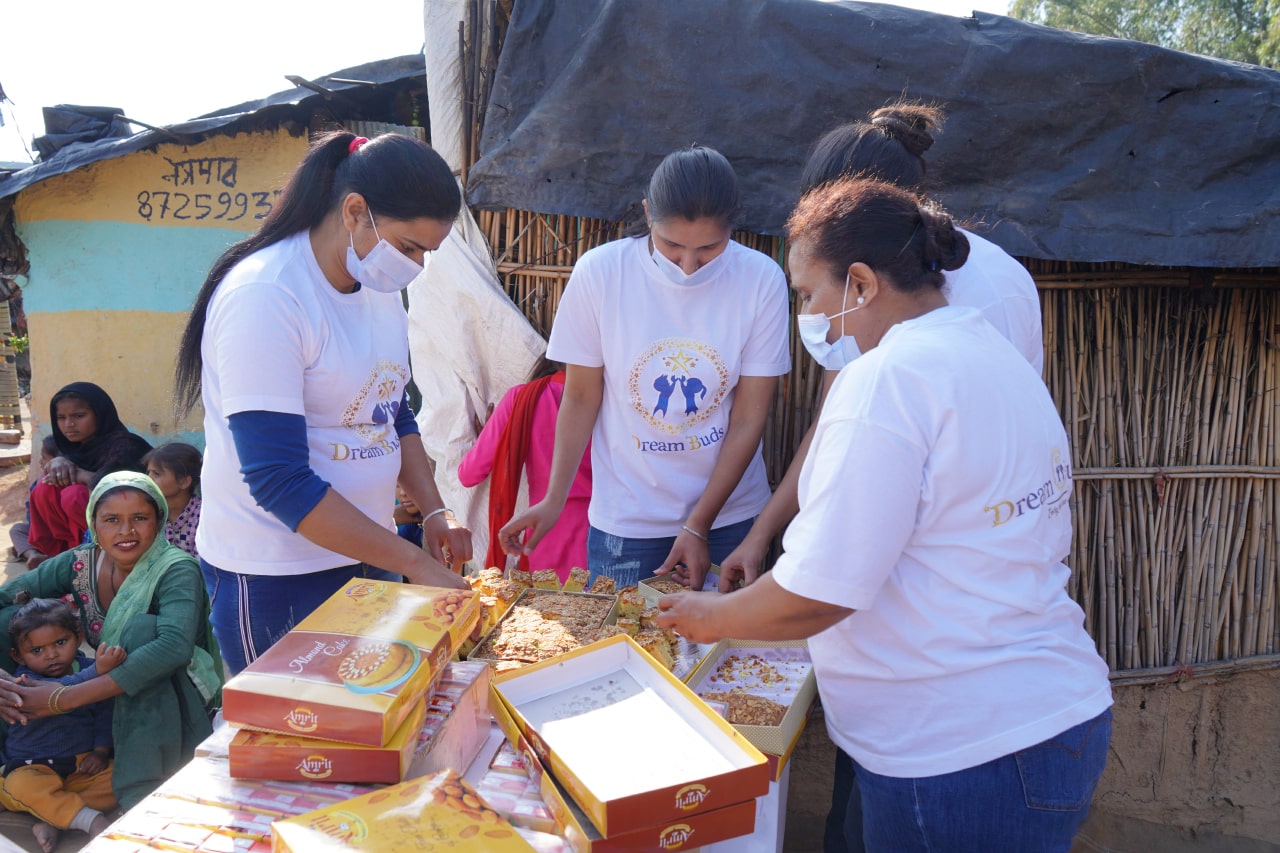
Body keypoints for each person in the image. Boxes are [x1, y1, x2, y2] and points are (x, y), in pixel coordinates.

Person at [657, 178, 1112, 853]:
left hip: (960, 753)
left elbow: (818, 593)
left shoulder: (888, 381)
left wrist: (703, 618)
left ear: (862, 284)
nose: (806, 315)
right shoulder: (986, 349)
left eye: (809, 295)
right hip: (1043, 720)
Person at [172, 131, 473, 676]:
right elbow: (278, 480)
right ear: (355, 211)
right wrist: (411, 560)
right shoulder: (268, 297)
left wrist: (434, 510)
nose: (417, 267)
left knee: (368, 720)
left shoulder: (378, 292)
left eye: (426, 253)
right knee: (296, 741)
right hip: (277, 575)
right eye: (409, 248)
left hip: (368, 558)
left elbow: (391, 408)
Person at [720, 101, 1044, 592]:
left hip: (952, 580)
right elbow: (831, 421)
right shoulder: (864, 298)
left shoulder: (972, 302)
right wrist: (762, 533)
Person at [498, 146, 790, 590]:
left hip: (730, 514)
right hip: (628, 520)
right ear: (648, 213)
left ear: (734, 225)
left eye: (709, 248)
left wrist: (698, 525)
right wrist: (553, 499)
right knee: (623, 650)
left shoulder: (761, 279)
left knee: (724, 655)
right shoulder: (601, 273)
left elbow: (749, 416)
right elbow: (580, 396)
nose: (688, 266)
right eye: (672, 245)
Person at [0, 472, 223, 812]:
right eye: (111, 520)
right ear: (94, 523)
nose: (126, 532)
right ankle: (25, 762)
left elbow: (172, 647)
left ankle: (138, 787)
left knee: (141, 631)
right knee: (10, 623)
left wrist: (65, 697)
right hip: (104, 689)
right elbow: (5, 596)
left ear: (158, 520)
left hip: (169, 700)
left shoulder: (176, 569)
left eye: (140, 518)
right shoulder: (82, 561)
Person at [0, 595, 126, 852]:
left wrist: (101, 752)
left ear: (77, 636)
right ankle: (89, 819)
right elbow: (56, 690)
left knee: (121, 778)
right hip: (30, 768)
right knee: (17, 786)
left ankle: (52, 818)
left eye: (60, 642)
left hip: (80, 767)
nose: (52, 655)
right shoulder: (20, 682)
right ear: (18, 656)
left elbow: (104, 712)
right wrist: (96, 674)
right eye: (37, 650)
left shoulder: (91, 668)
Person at [458, 356, 592, 583]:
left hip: (544, 536)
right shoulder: (613, 402)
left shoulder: (522, 398)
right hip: (606, 535)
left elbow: (468, 473)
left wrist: (491, 437)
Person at [27, 383, 153, 564]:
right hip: (83, 530)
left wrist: (84, 476)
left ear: (100, 414)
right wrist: (58, 462)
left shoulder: (126, 446)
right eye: (61, 418)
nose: (68, 424)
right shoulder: (70, 447)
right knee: (44, 487)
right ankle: (68, 556)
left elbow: (129, 490)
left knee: (74, 495)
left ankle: (102, 557)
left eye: (79, 416)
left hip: (127, 525)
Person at [143, 442, 203, 559]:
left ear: (184, 481)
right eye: (148, 472)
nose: (148, 479)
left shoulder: (202, 517)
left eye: (156, 474)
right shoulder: (152, 513)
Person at [10, 436, 57, 569]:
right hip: (41, 531)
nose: (40, 462)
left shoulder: (68, 487)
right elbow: (30, 510)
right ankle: (32, 554)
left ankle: (37, 553)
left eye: (45, 458)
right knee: (17, 530)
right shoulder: (38, 483)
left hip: (59, 535)